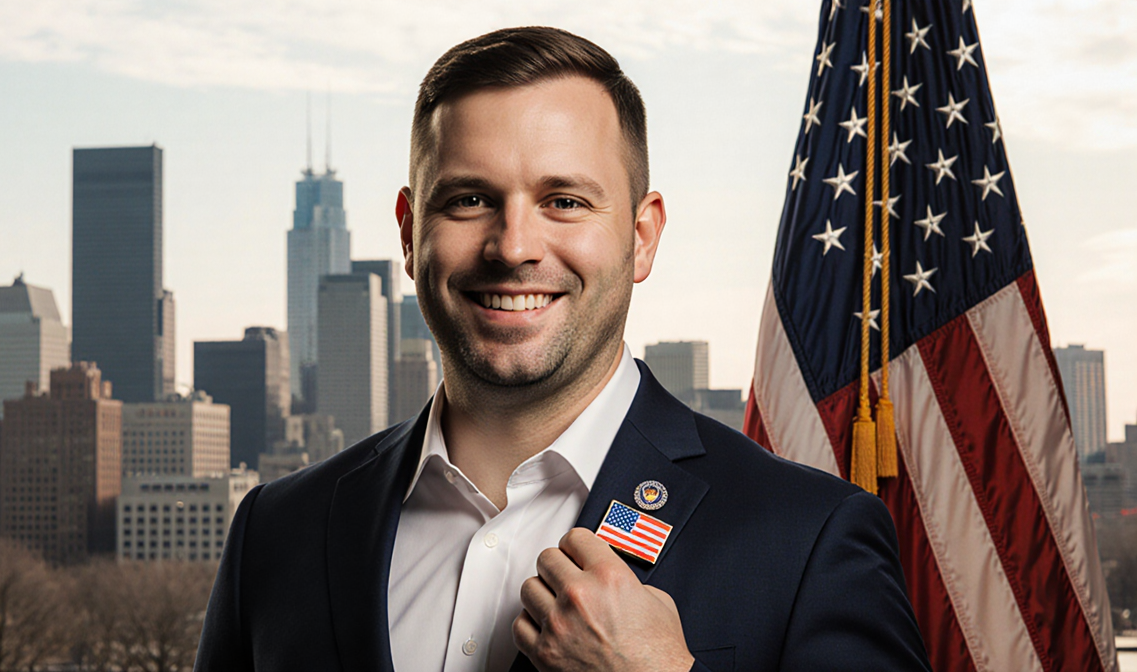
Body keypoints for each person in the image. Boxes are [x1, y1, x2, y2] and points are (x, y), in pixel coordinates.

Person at [195, 26, 932, 672]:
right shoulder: (277, 533)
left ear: (642, 237)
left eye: (565, 202)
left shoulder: (806, 538)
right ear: (408, 230)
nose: (514, 247)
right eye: (469, 200)